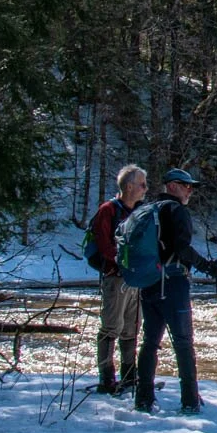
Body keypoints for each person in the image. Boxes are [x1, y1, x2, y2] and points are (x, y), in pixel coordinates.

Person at [136, 167, 217, 414]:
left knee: (150, 342)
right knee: (184, 343)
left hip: (149, 282)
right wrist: (206, 266)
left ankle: (143, 399)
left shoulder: (148, 210)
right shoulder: (177, 211)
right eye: (186, 186)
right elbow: (181, 248)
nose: (190, 191)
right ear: (172, 186)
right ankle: (190, 401)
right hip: (173, 283)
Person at [91, 165, 147, 395]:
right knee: (111, 326)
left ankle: (129, 375)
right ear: (129, 186)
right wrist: (122, 263)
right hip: (115, 278)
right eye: (142, 184)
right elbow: (103, 245)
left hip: (136, 279)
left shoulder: (141, 211)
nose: (145, 189)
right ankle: (106, 378)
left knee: (132, 327)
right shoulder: (108, 211)